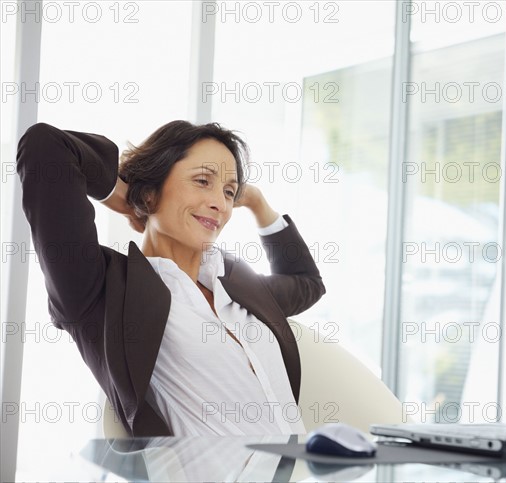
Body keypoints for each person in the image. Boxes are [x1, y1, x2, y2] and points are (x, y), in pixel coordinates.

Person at [16, 121, 326, 437]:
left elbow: (307, 282)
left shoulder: (236, 284)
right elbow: (45, 145)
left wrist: (259, 203)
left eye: (230, 192)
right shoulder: (103, 290)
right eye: (203, 180)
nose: (221, 203)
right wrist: (128, 196)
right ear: (151, 193)